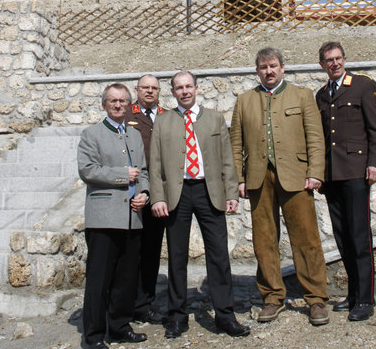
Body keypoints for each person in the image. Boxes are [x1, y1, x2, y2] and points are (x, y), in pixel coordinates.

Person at [230, 47, 329, 326]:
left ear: (283, 67)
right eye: (263, 67)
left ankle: (316, 298)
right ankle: (272, 297)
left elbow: (315, 137)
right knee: (264, 241)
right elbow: (235, 144)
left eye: (273, 66)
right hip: (258, 179)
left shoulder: (302, 95)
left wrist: (315, 172)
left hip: (297, 176)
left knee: (306, 238)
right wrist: (239, 178)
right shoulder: (245, 100)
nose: (269, 71)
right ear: (257, 71)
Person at [149, 71, 250, 339]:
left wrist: (231, 192)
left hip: (210, 192)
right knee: (177, 257)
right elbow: (155, 163)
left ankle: (225, 316)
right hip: (177, 194)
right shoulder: (163, 121)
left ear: (196, 88)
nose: (184, 91)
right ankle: (177, 317)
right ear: (173, 92)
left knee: (218, 256)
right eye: (179, 88)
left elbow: (227, 158)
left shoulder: (214, 118)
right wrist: (158, 197)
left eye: (188, 86)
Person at [316, 41, 376, 322]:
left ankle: (366, 299)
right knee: (342, 237)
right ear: (322, 64)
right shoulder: (321, 96)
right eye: (328, 60)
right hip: (332, 176)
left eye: (337, 58)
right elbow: (322, 137)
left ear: (344, 59)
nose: (334, 63)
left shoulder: (362, 85)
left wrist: (375, 163)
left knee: (359, 236)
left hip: (357, 172)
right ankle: (354, 293)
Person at [77, 83, 149, 348]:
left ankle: (119, 326)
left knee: (125, 279)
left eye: (122, 101)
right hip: (104, 217)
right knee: (99, 280)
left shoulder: (134, 135)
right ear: (104, 104)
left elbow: (142, 172)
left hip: (132, 217)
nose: (118, 105)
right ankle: (93, 337)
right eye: (112, 101)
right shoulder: (91, 134)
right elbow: (87, 170)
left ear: (129, 104)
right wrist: (121, 175)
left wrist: (144, 194)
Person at [125, 74, 166, 324]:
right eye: (145, 88)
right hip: (132, 192)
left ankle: (144, 303)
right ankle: (123, 302)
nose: (149, 92)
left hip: (158, 193)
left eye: (154, 88)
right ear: (136, 90)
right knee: (130, 251)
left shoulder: (168, 115)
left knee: (151, 250)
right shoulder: (126, 114)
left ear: (159, 91)